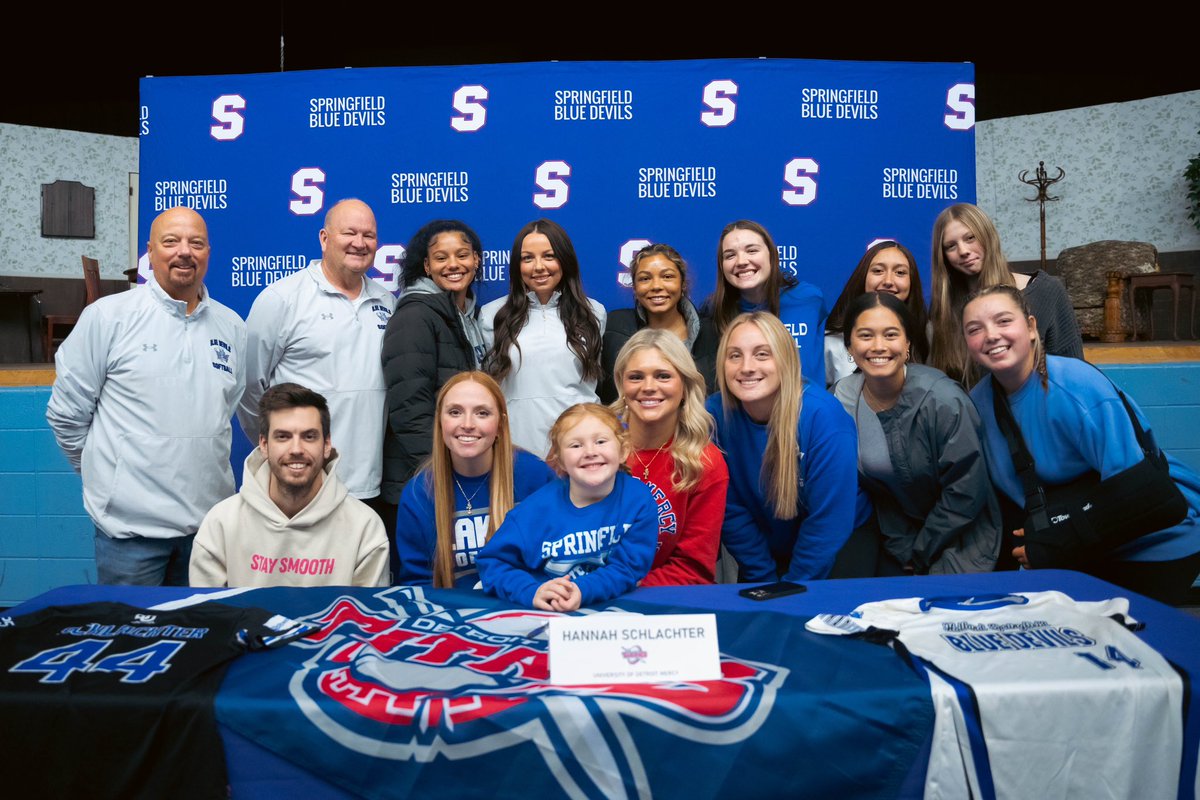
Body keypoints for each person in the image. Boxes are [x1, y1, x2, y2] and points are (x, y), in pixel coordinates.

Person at [963, 284, 1200, 604]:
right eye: (975, 329)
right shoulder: (977, 404)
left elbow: (1147, 499)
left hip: (1156, 541)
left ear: (1031, 328)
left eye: (1004, 321)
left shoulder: (1075, 385)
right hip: (1081, 544)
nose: (991, 335)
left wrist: (1059, 542)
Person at [46, 207, 246, 586]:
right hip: (130, 540)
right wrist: (108, 477)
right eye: (171, 242)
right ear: (150, 252)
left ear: (208, 252)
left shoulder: (232, 326)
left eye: (196, 243)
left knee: (203, 644)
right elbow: (66, 416)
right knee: (129, 644)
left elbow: (226, 410)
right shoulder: (107, 318)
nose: (184, 251)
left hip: (207, 534)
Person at [238, 198, 395, 521]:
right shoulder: (281, 299)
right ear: (324, 238)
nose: (359, 243)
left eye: (369, 235)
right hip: (300, 484)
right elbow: (250, 387)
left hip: (369, 486)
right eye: (349, 233)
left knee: (363, 573)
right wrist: (278, 448)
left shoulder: (387, 302)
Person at [832, 292, 1000, 574]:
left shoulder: (944, 400)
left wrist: (920, 552)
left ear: (907, 343)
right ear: (849, 345)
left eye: (890, 335)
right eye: (865, 335)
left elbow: (966, 491)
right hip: (898, 539)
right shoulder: (841, 399)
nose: (878, 346)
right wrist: (905, 548)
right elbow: (876, 493)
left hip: (962, 538)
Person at [706, 311, 871, 582]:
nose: (746, 367)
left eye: (762, 354)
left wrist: (792, 587)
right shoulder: (713, 415)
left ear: (785, 360)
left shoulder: (822, 417)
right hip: (768, 547)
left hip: (840, 541)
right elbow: (730, 509)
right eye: (734, 355)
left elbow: (829, 520)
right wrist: (763, 576)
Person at [190, 383, 390, 588]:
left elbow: (367, 617)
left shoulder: (365, 527)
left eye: (309, 436)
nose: (296, 449)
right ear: (264, 445)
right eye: (283, 437)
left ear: (327, 444)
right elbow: (207, 615)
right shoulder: (220, 523)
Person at [476, 403, 658, 611]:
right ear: (560, 460)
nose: (590, 452)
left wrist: (582, 590)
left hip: (612, 610)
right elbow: (491, 563)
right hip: (547, 611)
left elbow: (628, 568)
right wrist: (530, 591)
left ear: (623, 450)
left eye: (600, 441)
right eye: (575, 445)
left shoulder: (638, 500)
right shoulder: (534, 511)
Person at [394, 371, 556, 588]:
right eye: (455, 412)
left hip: (524, 608)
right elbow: (418, 583)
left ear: (500, 424)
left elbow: (557, 563)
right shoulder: (419, 493)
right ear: (440, 422)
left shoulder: (536, 477)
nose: (467, 424)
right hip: (451, 615)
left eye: (482, 413)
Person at [381, 219, 488, 505]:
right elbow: (410, 409)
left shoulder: (470, 317)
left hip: (459, 472)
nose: (453, 264)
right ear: (427, 266)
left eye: (462, 255)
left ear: (476, 259)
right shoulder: (415, 316)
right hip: (426, 482)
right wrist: (444, 473)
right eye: (441, 258)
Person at [611, 328, 728, 584]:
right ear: (621, 384)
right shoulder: (597, 445)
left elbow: (693, 571)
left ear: (685, 386)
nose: (649, 387)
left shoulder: (705, 462)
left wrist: (615, 587)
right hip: (589, 599)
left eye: (663, 376)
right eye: (636, 377)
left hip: (667, 604)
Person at [481, 219, 606, 458]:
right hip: (517, 448)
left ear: (565, 260)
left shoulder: (594, 313)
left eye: (549, 256)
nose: (538, 266)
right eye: (527, 258)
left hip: (581, 445)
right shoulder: (491, 316)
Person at [929, 203, 1082, 386]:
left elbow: (1075, 373)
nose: (963, 251)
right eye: (951, 246)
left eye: (970, 238)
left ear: (988, 236)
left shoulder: (1047, 290)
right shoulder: (945, 308)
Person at [705, 220, 827, 384]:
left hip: (805, 406)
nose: (741, 261)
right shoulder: (715, 310)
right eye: (730, 255)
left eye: (752, 250)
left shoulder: (808, 299)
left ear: (772, 255)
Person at [599, 243, 719, 402]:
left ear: (682, 283)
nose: (656, 286)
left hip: (699, 426)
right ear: (634, 287)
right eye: (645, 278)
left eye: (667, 276)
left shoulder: (713, 333)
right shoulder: (614, 328)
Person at [824, 239, 929, 386]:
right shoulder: (832, 341)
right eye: (878, 271)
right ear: (863, 277)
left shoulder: (928, 335)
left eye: (900, 272)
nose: (888, 281)